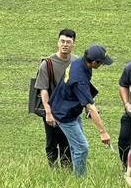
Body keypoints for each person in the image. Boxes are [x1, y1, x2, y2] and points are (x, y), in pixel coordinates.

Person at [49, 44, 114, 176]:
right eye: (101, 63)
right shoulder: (79, 79)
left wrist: (86, 105)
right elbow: (91, 107)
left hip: (71, 108)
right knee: (81, 148)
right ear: (94, 62)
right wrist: (103, 132)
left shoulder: (80, 62)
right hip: (65, 114)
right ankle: (79, 180)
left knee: (76, 146)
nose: (102, 65)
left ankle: (76, 173)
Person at [34, 28, 76, 167]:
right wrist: (48, 112)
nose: (65, 44)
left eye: (68, 42)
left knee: (67, 142)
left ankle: (66, 170)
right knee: (52, 142)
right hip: (51, 108)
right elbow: (43, 89)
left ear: (73, 44)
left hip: (69, 110)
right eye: (62, 41)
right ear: (58, 43)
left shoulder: (76, 62)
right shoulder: (47, 63)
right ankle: (52, 169)